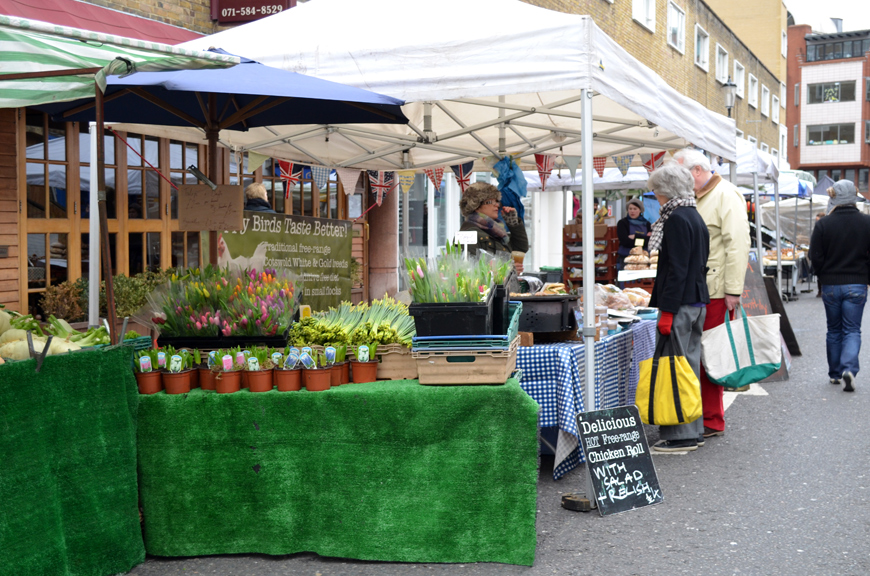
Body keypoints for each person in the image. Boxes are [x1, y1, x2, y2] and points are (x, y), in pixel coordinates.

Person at [673, 148, 750, 440]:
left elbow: (738, 244)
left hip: (716, 288)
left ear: (695, 171)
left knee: (710, 355)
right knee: (700, 353)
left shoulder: (726, 195)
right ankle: (702, 415)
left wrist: (733, 290)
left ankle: (712, 419)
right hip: (703, 287)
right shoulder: (701, 195)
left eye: (681, 174)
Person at [646, 163, 710, 452]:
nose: (655, 196)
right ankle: (693, 427)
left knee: (674, 366)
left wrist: (668, 311)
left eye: (657, 191)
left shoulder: (675, 219)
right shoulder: (694, 215)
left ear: (666, 191)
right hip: (697, 300)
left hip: (680, 303)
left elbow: (677, 270)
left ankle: (679, 433)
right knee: (689, 367)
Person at [809, 180, 870, 393]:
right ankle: (849, 368)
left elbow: (814, 256)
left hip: (831, 284)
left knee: (834, 329)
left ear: (834, 198)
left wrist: (822, 274)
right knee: (852, 329)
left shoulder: (824, 224)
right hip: (857, 283)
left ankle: (835, 373)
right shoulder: (866, 222)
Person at [459, 182, 528, 272]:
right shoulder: (467, 234)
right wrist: (505, 270)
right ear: (475, 205)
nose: (497, 205)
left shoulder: (496, 230)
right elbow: (468, 270)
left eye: (497, 201)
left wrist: (513, 224)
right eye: (490, 202)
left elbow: (521, 248)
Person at [616, 198, 652, 270]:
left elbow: (649, 241)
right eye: (630, 208)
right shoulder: (622, 223)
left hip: (643, 259)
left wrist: (636, 236)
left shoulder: (647, 224)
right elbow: (625, 241)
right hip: (626, 258)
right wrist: (643, 238)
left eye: (635, 209)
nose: (632, 211)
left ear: (640, 210)